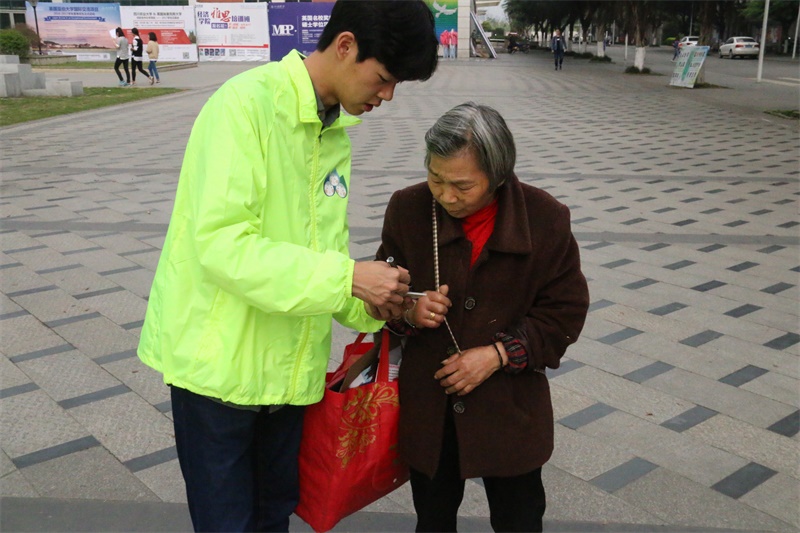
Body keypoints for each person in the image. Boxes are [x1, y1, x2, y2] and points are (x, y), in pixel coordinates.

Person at [135, 1, 438, 531]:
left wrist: (385, 305)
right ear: (345, 46)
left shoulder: (330, 132)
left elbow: (318, 263)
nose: (387, 97)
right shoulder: (245, 106)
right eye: (384, 78)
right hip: (219, 375)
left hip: (289, 377)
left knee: (274, 518)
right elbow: (224, 245)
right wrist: (348, 276)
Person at [376, 102, 589, 532]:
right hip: (430, 405)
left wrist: (498, 354)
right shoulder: (408, 207)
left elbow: (564, 312)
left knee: (520, 520)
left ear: (499, 175)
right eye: (436, 178)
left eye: (462, 186)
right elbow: (384, 295)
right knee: (433, 520)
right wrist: (409, 310)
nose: (445, 195)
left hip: (509, 410)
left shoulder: (545, 218)